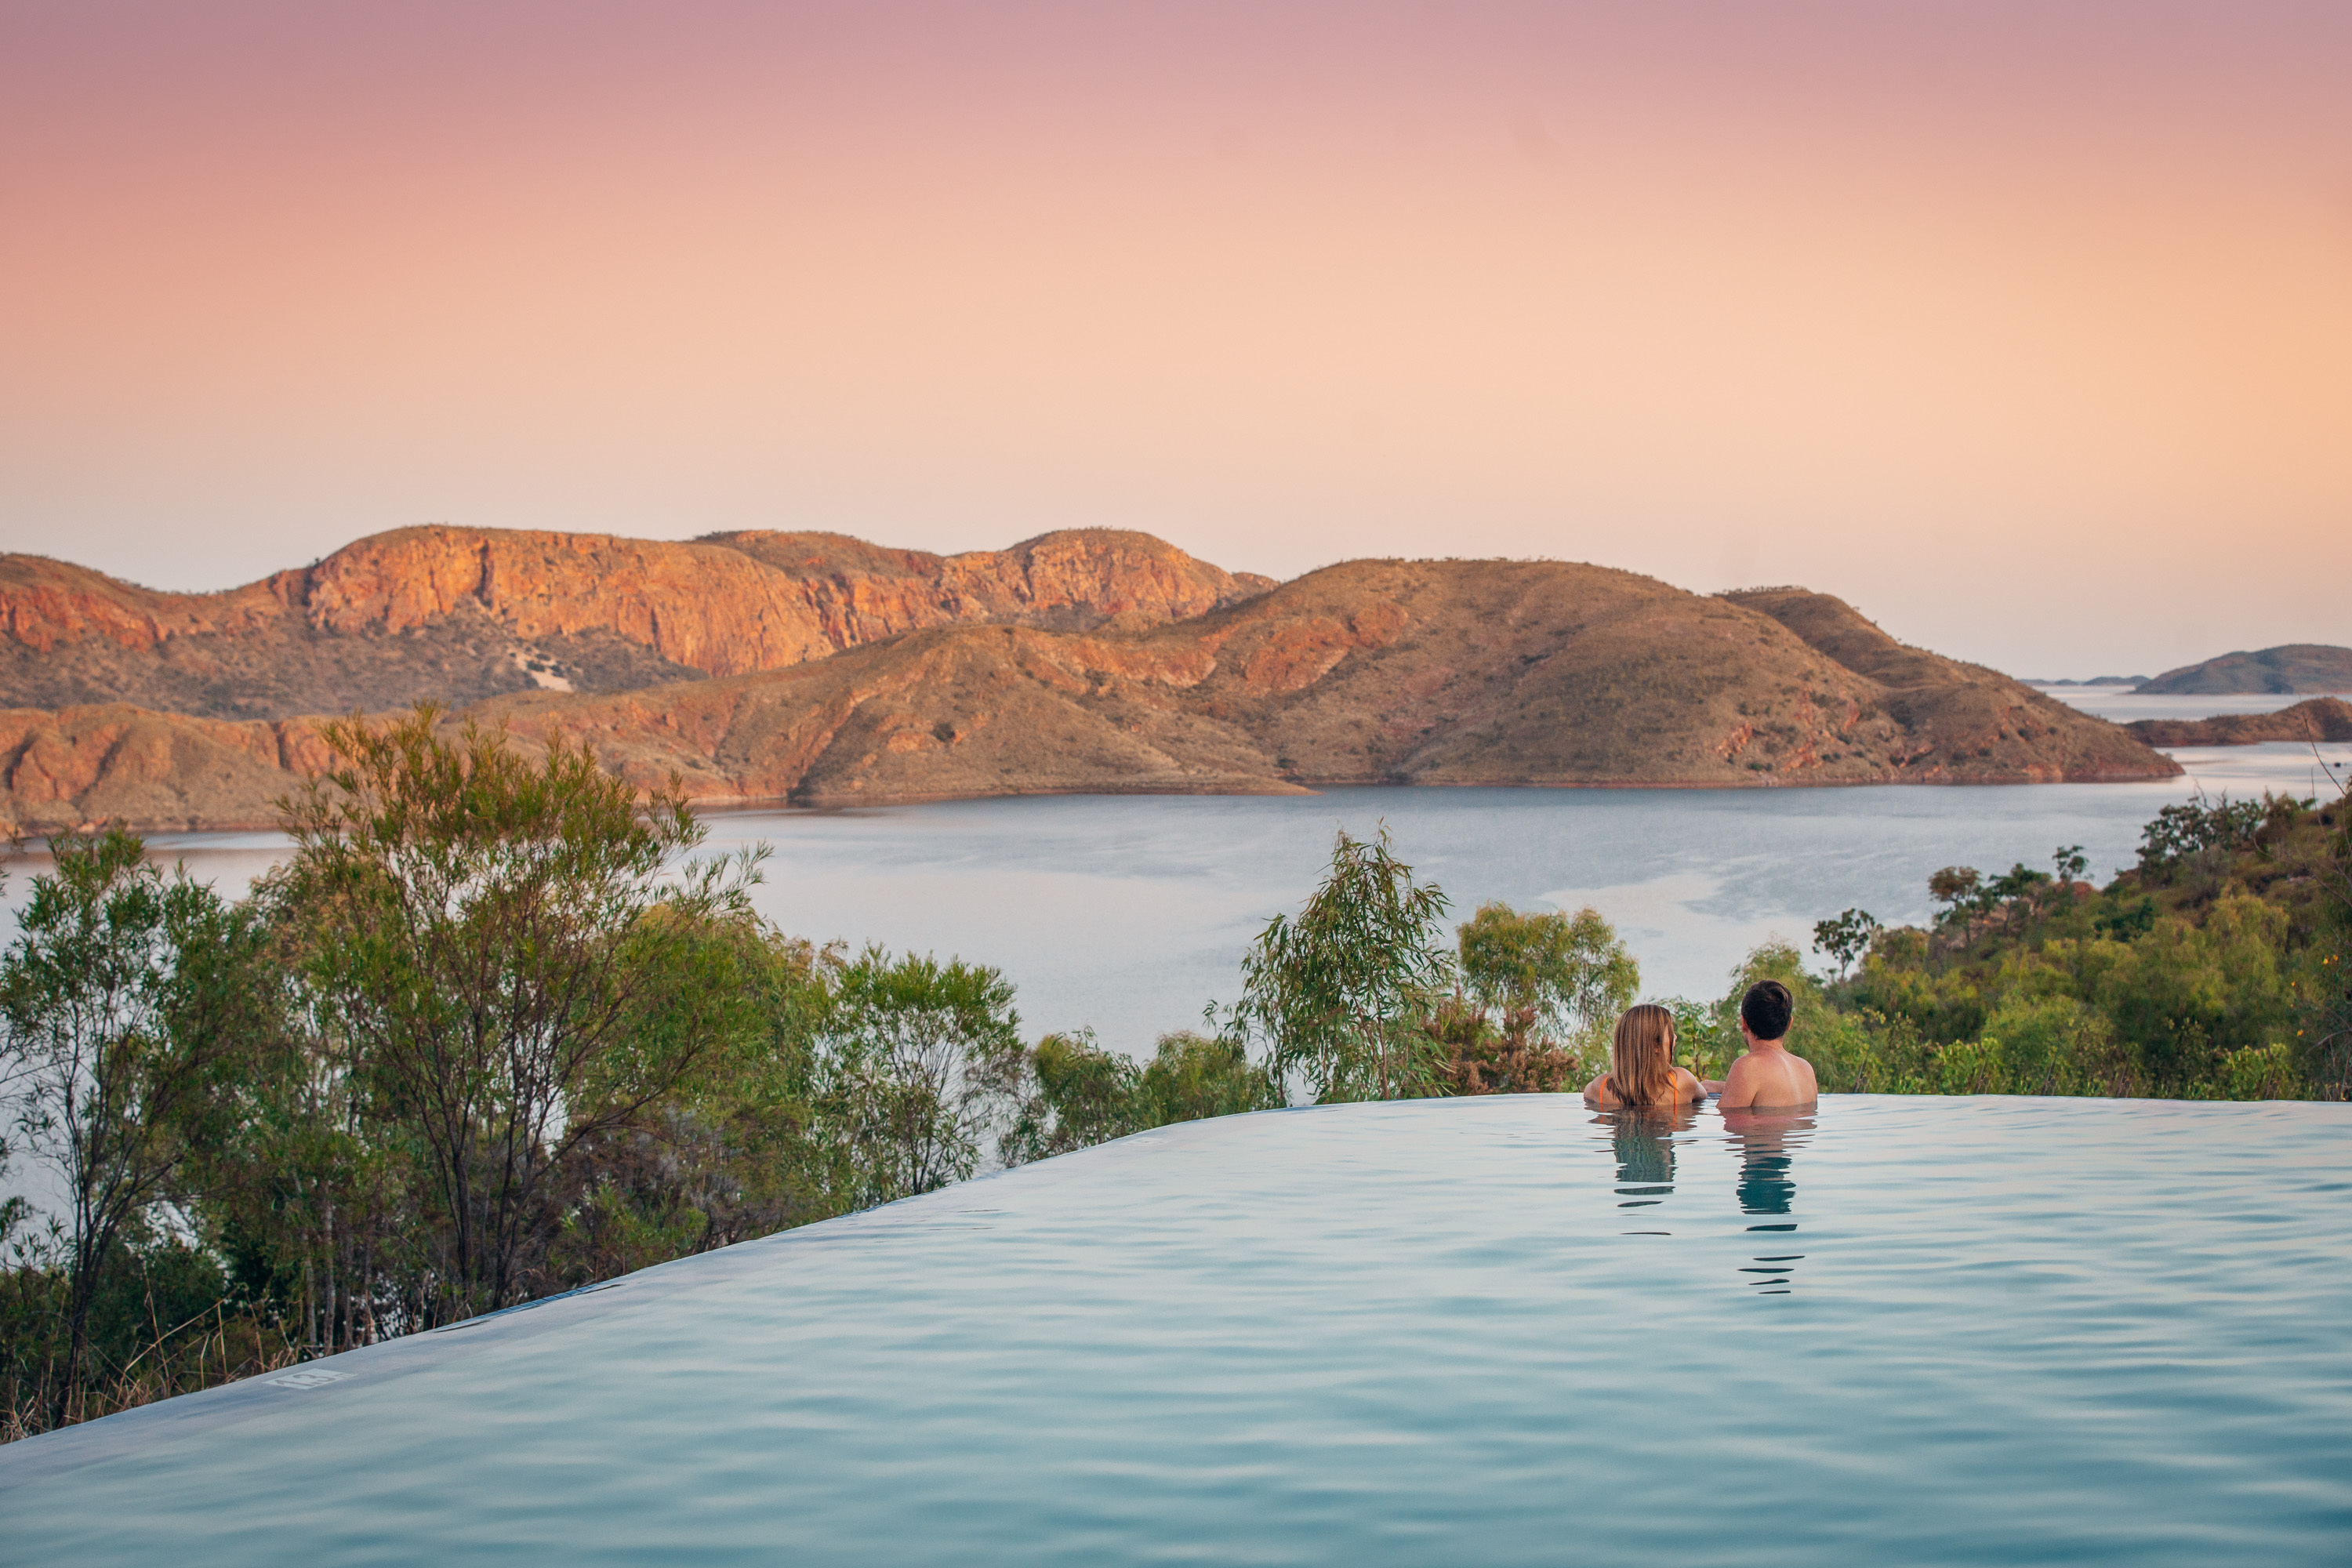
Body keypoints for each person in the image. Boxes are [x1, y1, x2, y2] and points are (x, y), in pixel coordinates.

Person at [1704, 979, 1818, 1109]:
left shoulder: (1748, 1067)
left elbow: (1726, 1118)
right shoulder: (1806, 1068)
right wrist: (1723, 1087)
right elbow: (1772, 1093)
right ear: (1789, 1024)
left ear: (1744, 1023)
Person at [1582, 1003, 1709, 1109]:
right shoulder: (1681, 1081)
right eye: (1671, 1033)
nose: (1675, 1037)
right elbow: (1704, 1094)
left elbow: (1586, 1095)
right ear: (1656, 1045)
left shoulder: (1601, 1086)